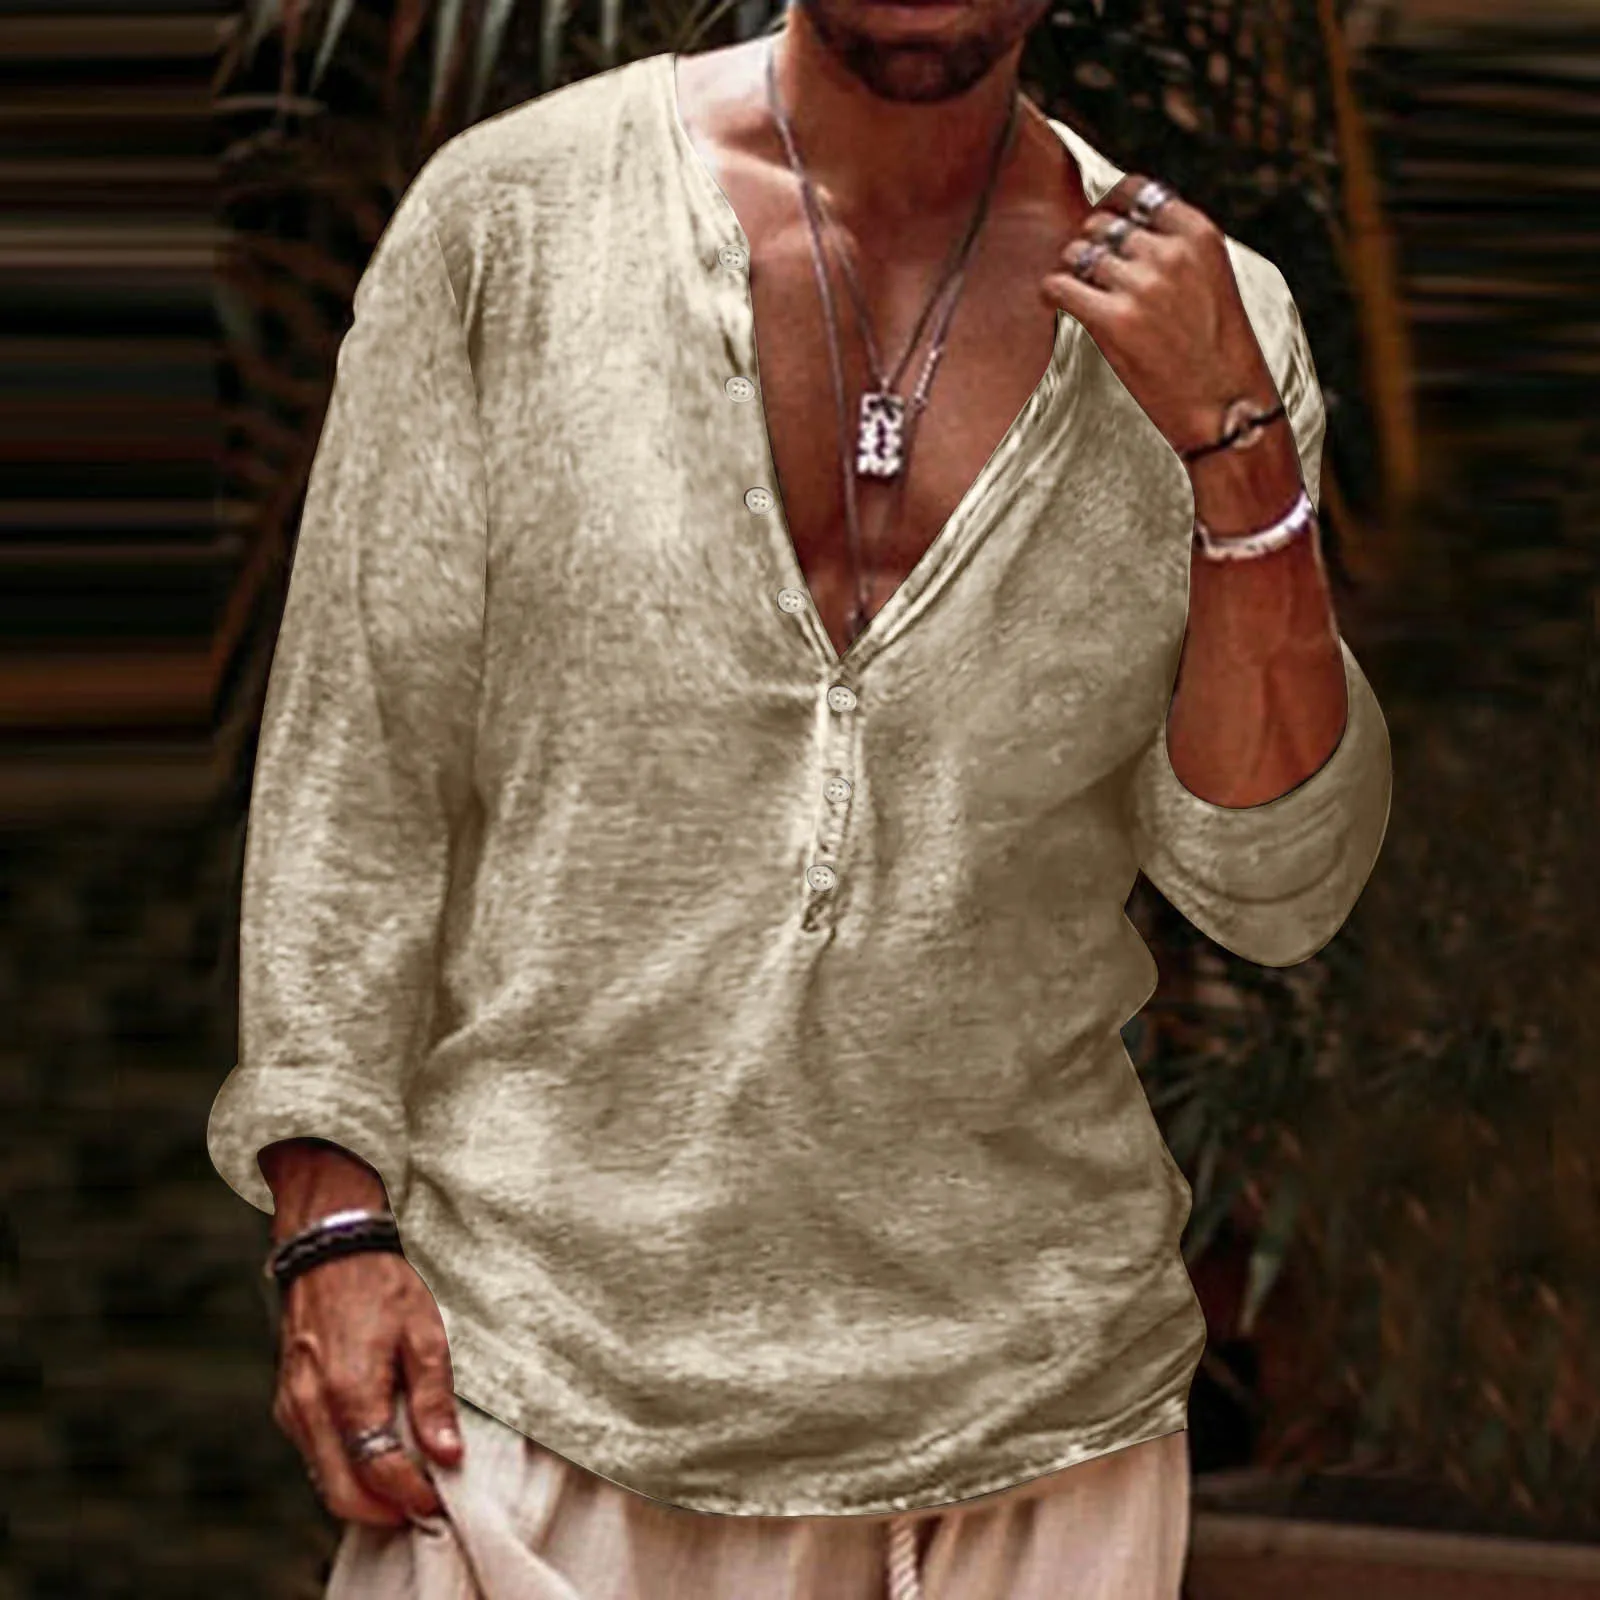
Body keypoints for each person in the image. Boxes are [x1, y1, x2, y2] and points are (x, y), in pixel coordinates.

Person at [207, 0, 1392, 1593]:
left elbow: (1276, 881)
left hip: (1034, 1433)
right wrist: (330, 1225)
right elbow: (359, 768)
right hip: (540, 1395)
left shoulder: (1218, 320)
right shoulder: (515, 225)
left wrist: (1237, 452)